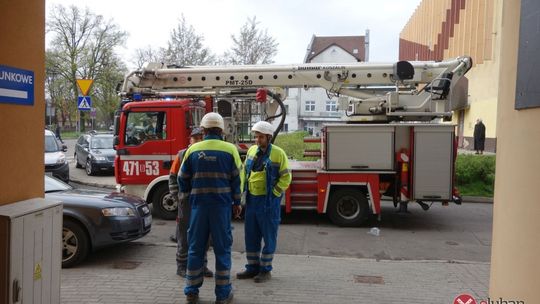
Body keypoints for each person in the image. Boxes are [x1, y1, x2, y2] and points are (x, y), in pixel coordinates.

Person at [179, 112, 243, 304]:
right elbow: (237, 179)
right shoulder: (230, 149)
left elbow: (182, 178)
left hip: (199, 207)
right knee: (222, 250)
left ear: (204, 130)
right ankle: (223, 295)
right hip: (221, 207)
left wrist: (191, 195)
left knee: (195, 249)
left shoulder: (193, 150)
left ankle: (191, 291)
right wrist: (237, 202)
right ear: (221, 130)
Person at [236, 121, 292, 283]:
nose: (257, 140)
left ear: (268, 137)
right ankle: (252, 267)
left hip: (268, 202)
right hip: (252, 200)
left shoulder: (278, 153)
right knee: (251, 235)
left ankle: (265, 270)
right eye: (256, 137)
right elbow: (245, 173)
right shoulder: (252, 151)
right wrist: (240, 195)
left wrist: (275, 193)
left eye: (261, 137)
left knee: (269, 236)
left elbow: (286, 177)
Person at [168, 127, 213, 279]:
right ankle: (182, 266)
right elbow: (173, 177)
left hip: (203, 201)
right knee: (184, 235)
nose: (198, 140)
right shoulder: (182, 155)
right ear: (190, 139)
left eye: (201, 137)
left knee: (204, 235)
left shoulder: (207, 154)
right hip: (186, 202)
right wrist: (178, 196)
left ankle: (203, 265)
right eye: (195, 138)